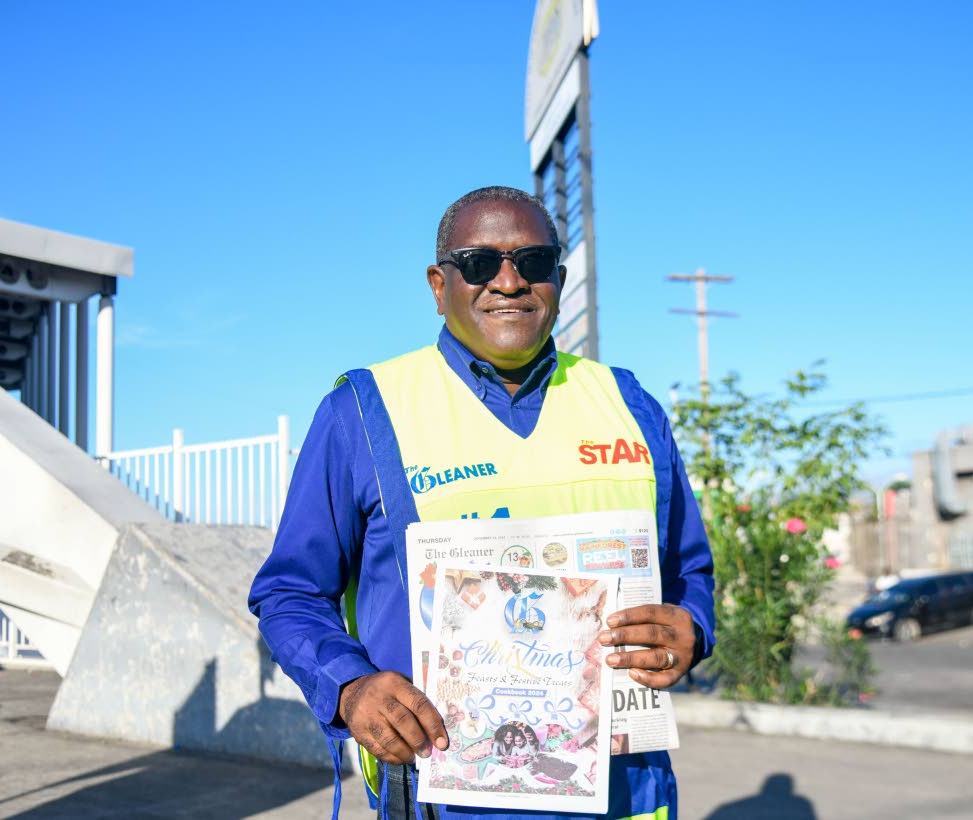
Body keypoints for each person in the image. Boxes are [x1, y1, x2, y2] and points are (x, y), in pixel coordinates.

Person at [248, 186, 715, 820]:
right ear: (439, 286)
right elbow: (289, 592)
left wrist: (692, 627)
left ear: (559, 278)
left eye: (533, 262)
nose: (508, 281)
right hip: (446, 792)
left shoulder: (628, 404)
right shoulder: (364, 410)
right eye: (478, 262)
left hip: (627, 794)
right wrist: (350, 688)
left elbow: (690, 572)